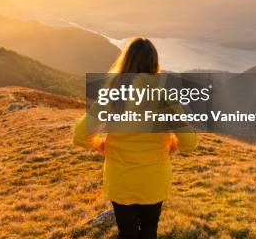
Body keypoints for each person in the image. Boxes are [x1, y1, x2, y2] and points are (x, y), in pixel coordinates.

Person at [74, 38, 197, 239]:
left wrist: (99, 144)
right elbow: (190, 143)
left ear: (126, 62)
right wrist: (171, 144)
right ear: (154, 65)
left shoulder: (112, 95)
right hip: (154, 183)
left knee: (127, 233)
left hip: (121, 182)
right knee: (149, 231)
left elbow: (79, 135)